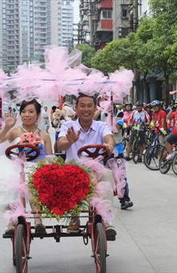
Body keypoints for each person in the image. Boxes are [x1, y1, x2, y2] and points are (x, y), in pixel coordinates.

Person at [56, 94, 117, 238]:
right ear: (76, 109)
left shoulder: (101, 126)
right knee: (73, 176)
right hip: (74, 168)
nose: (86, 109)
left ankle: (106, 219)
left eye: (90, 106)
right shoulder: (68, 125)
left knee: (107, 174)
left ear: (95, 108)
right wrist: (70, 141)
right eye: (82, 106)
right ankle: (74, 216)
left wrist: (109, 145)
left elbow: (109, 139)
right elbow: (60, 144)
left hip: (96, 169)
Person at [0, 99, 53, 234]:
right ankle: (11, 221)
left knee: (33, 180)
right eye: (24, 112)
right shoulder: (14, 131)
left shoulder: (44, 135)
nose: (27, 115)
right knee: (11, 182)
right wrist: (7, 127)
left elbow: (50, 157)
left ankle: (38, 221)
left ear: (37, 114)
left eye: (31, 112)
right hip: (16, 167)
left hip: (37, 167)